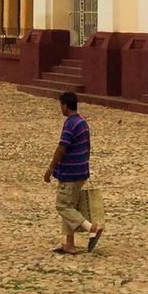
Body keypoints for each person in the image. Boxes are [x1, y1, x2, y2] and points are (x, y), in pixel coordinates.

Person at [43, 91, 103, 255]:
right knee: (70, 206)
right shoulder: (83, 122)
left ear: (65, 106)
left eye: (61, 105)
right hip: (81, 171)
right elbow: (88, 146)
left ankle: (92, 228)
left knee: (62, 206)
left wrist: (50, 169)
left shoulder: (70, 124)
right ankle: (69, 243)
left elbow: (61, 148)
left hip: (70, 173)